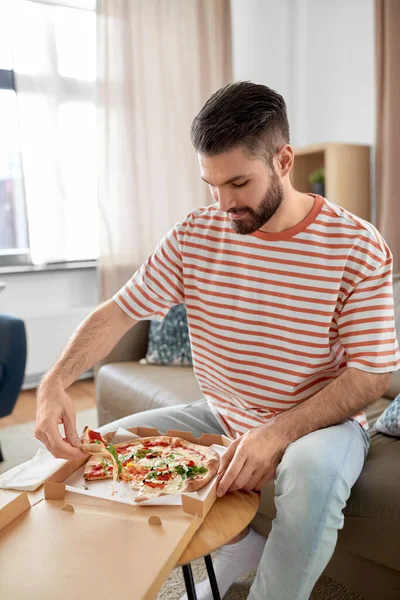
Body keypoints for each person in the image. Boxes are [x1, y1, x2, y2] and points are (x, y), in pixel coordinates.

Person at [35, 81, 399, 600]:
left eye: (239, 183)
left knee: (310, 475)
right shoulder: (196, 234)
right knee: (102, 453)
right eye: (212, 184)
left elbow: (371, 371)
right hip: (223, 415)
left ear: (284, 160)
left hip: (321, 425)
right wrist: (54, 382)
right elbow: (118, 312)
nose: (225, 203)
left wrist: (275, 435)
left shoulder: (356, 245)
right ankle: (234, 549)